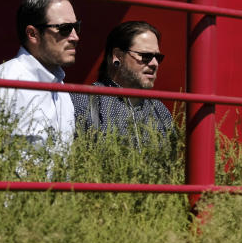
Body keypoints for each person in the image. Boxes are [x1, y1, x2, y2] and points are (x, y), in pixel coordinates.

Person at [0, 0, 80, 149]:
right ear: (33, 34)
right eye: (65, 28)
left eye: (76, 27)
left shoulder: (62, 92)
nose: (75, 37)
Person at [73, 20, 175, 148]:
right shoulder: (83, 101)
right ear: (117, 56)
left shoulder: (160, 110)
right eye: (146, 56)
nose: (154, 63)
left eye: (158, 57)